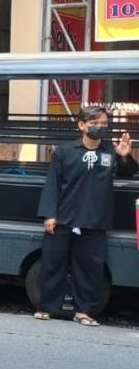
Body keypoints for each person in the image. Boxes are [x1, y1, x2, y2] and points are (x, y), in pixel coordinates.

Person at [35, 106, 135, 325]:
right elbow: (52, 184)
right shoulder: (64, 151)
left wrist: (126, 156)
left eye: (103, 123)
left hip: (95, 220)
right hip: (63, 218)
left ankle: (85, 311)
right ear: (81, 125)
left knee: (91, 269)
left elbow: (128, 173)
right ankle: (47, 307)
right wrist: (49, 215)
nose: (99, 127)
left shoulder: (110, 150)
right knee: (53, 264)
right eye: (94, 123)